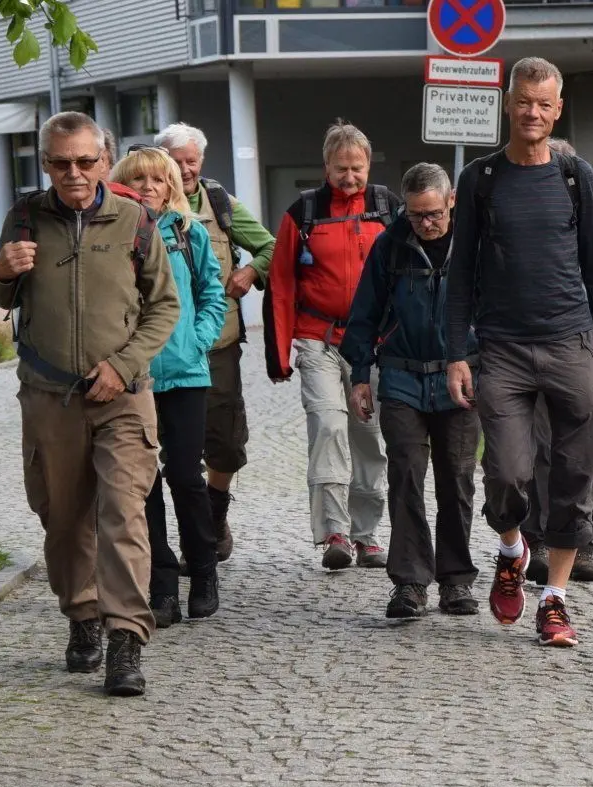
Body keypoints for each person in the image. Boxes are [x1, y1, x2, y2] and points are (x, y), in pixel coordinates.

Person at [0, 111, 181, 697]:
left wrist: (122, 367)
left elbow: (163, 306)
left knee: (123, 513)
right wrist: (0, 270)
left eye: (86, 161)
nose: (74, 172)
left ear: (104, 159)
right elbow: (2, 293)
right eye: (61, 162)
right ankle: (83, 616)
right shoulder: (24, 217)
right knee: (64, 517)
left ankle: (126, 639)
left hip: (124, 396)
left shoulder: (135, 219)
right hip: (50, 396)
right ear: (46, 163)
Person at [445, 57, 593, 648]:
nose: (534, 113)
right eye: (525, 101)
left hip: (571, 341)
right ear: (508, 101)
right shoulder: (481, 179)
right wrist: (456, 353)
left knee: (575, 474)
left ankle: (555, 599)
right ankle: (511, 547)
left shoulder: (576, 175)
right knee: (508, 473)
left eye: (545, 104)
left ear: (558, 108)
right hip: (503, 349)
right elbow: (461, 273)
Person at [340, 162, 480, 620]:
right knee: (405, 474)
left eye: (434, 213)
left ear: (451, 201)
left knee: (457, 480)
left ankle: (456, 580)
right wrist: (360, 375)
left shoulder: (474, 244)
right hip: (400, 375)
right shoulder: (390, 245)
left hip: (460, 376)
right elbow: (365, 311)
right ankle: (410, 583)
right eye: (417, 215)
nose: (426, 224)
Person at [265, 121, 401, 571]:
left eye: (357, 168)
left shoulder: (387, 209)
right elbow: (281, 284)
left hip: (373, 344)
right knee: (328, 426)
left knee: (369, 439)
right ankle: (334, 533)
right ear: (326, 166)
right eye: (341, 168)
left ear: (369, 164)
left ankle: (366, 535)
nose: (349, 177)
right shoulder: (303, 213)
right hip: (317, 338)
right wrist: (279, 350)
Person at [111, 146, 228, 629]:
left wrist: (196, 342)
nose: (147, 188)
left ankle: (202, 571)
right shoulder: (116, 234)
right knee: (145, 486)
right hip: (131, 376)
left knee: (184, 476)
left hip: (184, 375)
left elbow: (212, 294)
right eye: (137, 181)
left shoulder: (188, 232)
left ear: (171, 187)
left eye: (157, 180)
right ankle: (161, 584)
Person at [156, 122, 277, 562]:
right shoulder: (144, 206)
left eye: (192, 161)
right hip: (161, 354)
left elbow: (271, 246)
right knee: (175, 452)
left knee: (225, 441)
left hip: (218, 347)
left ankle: (215, 512)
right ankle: (181, 539)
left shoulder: (219, 203)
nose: (184, 169)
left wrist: (249, 272)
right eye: (176, 160)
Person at [520, 137, 593, 587]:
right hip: (531, 346)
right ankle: (544, 538)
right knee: (541, 446)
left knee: (581, 449)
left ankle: (581, 540)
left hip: (583, 346)